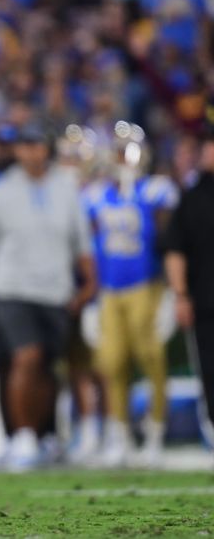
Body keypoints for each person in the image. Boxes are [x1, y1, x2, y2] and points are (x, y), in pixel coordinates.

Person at [0, 123, 96, 470]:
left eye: (37, 145)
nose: (31, 152)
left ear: (46, 150)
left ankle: (44, 436)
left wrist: (89, 285)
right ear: (18, 151)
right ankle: (22, 437)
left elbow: (81, 243)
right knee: (27, 357)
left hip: (55, 292)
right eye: (25, 146)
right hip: (11, 290)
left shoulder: (67, 189)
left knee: (49, 367)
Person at [84, 122, 178, 467]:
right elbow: (89, 247)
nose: (123, 157)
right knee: (112, 363)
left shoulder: (156, 190)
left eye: (128, 150)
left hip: (147, 286)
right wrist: (92, 300)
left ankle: (155, 432)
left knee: (151, 359)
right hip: (110, 290)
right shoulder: (95, 195)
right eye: (118, 151)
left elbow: (168, 242)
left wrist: (169, 291)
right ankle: (120, 434)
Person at [165, 130, 214, 452]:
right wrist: (180, 295)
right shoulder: (192, 196)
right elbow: (174, 250)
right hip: (206, 299)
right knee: (210, 369)